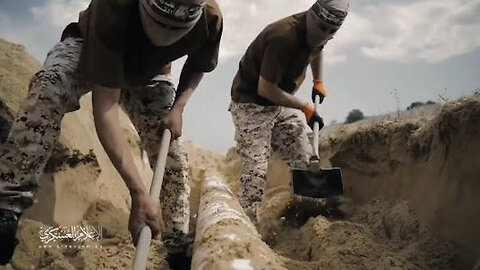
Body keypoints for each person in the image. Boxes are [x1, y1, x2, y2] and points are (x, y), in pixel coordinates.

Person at [0, 0, 222, 266]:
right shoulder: (113, 6)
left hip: (150, 73)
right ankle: (7, 208)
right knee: (49, 89)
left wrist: (178, 107)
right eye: (159, 23)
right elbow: (105, 107)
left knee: (172, 153)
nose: (164, 32)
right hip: (90, 48)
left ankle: (177, 246)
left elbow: (198, 64)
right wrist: (138, 193)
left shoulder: (210, 18)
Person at [229, 0, 349, 224]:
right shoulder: (283, 36)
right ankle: (247, 227)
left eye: (331, 31)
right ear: (314, 16)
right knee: (255, 173)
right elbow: (265, 89)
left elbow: (317, 49)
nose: (326, 34)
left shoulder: (319, 34)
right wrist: (304, 107)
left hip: (279, 103)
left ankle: (305, 213)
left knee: (305, 159)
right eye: (322, 28)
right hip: (251, 104)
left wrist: (318, 80)